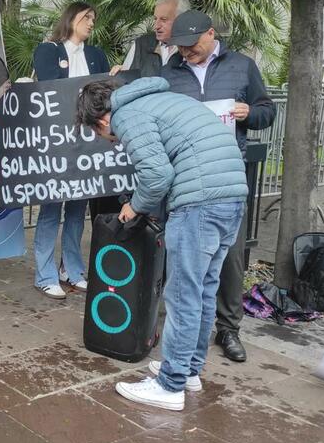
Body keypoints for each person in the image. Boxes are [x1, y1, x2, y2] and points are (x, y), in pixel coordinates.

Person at [76, 77, 247, 411]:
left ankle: (170, 385)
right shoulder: (160, 99)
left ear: (101, 120)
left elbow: (156, 174)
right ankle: (189, 370)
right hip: (232, 195)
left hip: (199, 202)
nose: (109, 141)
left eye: (100, 134)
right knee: (203, 289)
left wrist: (134, 205)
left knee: (183, 293)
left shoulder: (126, 115)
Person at [160, 9, 276, 363]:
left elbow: (267, 111)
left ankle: (228, 328)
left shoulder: (242, 66)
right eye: (179, 47)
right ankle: (183, 336)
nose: (185, 52)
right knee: (186, 260)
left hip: (228, 177)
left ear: (211, 35)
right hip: (186, 177)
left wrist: (248, 113)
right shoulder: (171, 73)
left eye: (191, 45)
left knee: (228, 259)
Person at [31, 1, 110, 299]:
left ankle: (72, 270)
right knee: (51, 209)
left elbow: (103, 92)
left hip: (88, 144)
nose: (91, 23)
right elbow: (53, 87)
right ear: (71, 18)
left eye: (93, 18)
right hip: (57, 143)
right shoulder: (48, 50)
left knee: (78, 210)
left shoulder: (96, 54)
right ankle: (45, 274)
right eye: (86, 17)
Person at [110, 0, 190, 77]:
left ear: (182, 19)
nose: (156, 26)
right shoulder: (141, 44)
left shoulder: (192, 47)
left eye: (164, 20)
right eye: (155, 19)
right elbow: (127, 81)